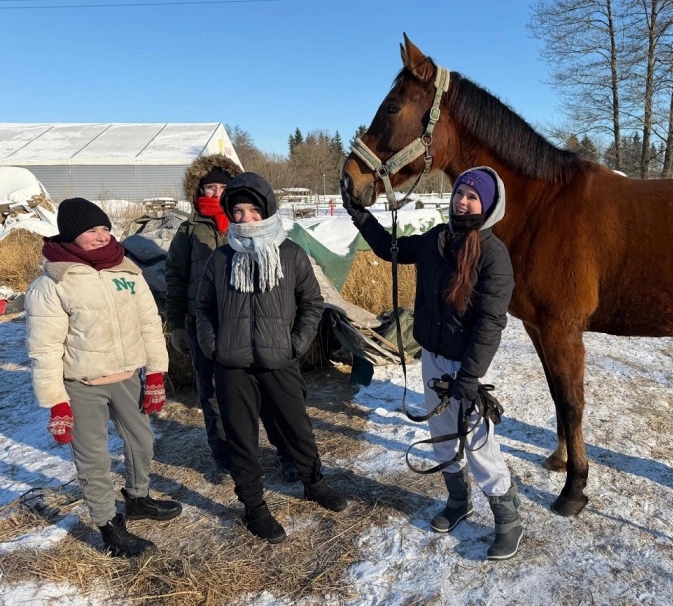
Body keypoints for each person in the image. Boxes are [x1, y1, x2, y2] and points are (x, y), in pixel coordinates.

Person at [341, 167, 522, 560]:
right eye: (460, 193)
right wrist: (358, 213)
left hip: (465, 366)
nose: (463, 201)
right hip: (432, 359)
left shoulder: (494, 255)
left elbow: (491, 322)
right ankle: (458, 501)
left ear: (488, 204)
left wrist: (471, 376)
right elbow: (388, 248)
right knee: (441, 436)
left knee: (478, 444)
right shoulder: (435, 240)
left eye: (473, 197)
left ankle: (508, 518)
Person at [25, 198, 182, 558]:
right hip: (80, 385)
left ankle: (139, 498)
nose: (100, 236)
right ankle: (109, 526)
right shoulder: (53, 282)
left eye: (104, 228)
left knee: (142, 441)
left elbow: (148, 325)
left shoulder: (126, 270)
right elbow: (44, 348)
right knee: (93, 459)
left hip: (127, 378)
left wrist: (155, 373)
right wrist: (56, 403)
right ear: (70, 236)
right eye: (90, 231)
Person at [196, 172, 347, 544]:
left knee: (298, 429)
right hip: (233, 367)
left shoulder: (291, 253)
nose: (244, 218)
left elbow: (312, 303)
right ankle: (254, 508)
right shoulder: (221, 258)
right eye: (237, 211)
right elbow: (203, 307)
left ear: (266, 211)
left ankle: (314, 484)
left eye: (251, 210)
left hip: (280, 360)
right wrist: (214, 347)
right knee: (242, 440)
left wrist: (295, 345)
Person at [165, 155, 299, 483]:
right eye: (208, 187)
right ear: (198, 190)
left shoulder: (252, 225)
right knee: (213, 393)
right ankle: (225, 455)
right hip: (207, 323)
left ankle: (287, 454)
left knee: (268, 391)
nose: (215, 193)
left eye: (221, 187)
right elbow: (175, 277)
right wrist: (178, 324)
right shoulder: (188, 230)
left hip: (253, 322)